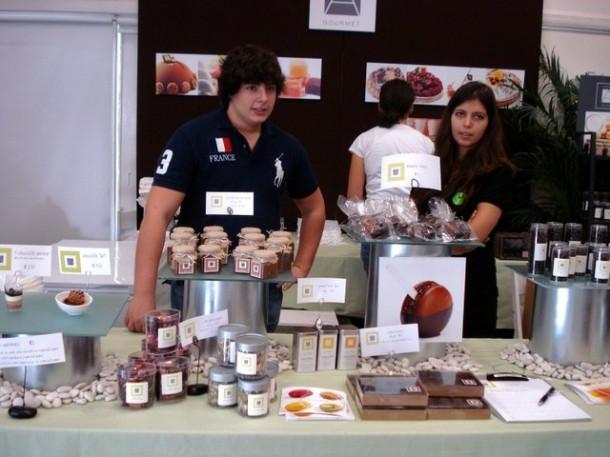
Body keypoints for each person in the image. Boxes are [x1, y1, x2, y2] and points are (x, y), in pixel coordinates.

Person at [124, 44, 326, 333]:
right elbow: (157, 213)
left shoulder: (286, 147)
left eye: (270, 88)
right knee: (196, 364)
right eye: (252, 87)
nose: (263, 98)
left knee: (254, 364)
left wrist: (301, 267)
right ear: (231, 89)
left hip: (262, 288)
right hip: (198, 284)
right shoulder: (192, 138)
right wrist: (143, 293)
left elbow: (314, 208)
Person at [413, 81, 515, 338]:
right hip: (423, 281)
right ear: (450, 117)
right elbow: (411, 226)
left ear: (489, 124)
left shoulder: (497, 172)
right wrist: (454, 232)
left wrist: (440, 234)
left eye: (477, 116)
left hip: (471, 288)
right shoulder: (433, 164)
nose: (467, 124)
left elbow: (471, 239)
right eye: (461, 114)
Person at [346, 78, 435, 273]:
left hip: (374, 229)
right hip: (411, 230)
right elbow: (428, 194)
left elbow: (353, 196)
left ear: (379, 106)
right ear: (411, 108)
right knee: (409, 295)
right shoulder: (425, 144)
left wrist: (362, 224)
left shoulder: (364, 140)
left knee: (377, 292)